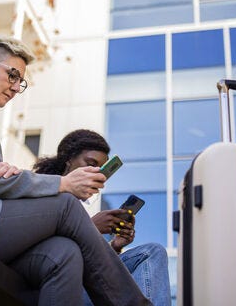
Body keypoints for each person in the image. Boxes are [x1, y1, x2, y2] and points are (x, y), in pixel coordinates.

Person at [0, 35, 150, 306]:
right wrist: (63, 184)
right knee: (66, 204)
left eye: (20, 82)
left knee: (64, 253)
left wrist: (10, 174)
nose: (16, 87)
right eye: (12, 75)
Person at [34, 129, 171, 306]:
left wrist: (114, 246)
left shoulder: (75, 204)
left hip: (84, 280)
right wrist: (91, 227)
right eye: (90, 163)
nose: (97, 174)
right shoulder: (42, 189)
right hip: (55, 283)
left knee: (151, 252)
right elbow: (40, 244)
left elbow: (88, 263)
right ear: (68, 159)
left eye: (102, 169)